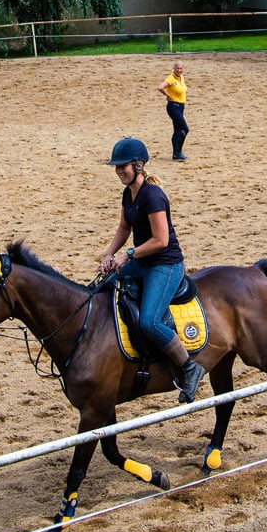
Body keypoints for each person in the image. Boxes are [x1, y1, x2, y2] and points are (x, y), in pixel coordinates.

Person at [97, 137, 206, 402]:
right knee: (102, 287)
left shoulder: (153, 195)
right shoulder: (128, 193)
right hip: (142, 262)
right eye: (116, 166)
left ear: (138, 164)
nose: (119, 171)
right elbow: (124, 228)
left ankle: (190, 368)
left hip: (165, 265)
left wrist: (127, 254)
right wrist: (109, 254)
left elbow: (161, 241)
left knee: (150, 321)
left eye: (123, 166)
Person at [158, 61, 189, 161]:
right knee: (184, 128)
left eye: (181, 68)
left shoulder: (181, 77)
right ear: (174, 69)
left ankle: (175, 154)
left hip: (180, 106)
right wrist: (167, 95)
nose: (179, 70)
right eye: (177, 68)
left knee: (177, 130)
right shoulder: (171, 78)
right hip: (173, 106)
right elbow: (160, 87)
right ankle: (178, 151)